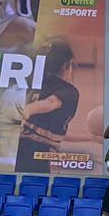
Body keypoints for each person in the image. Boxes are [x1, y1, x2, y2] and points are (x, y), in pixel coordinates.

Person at [15, 42, 79, 173]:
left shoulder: (37, 83)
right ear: (66, 65)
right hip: (40, 150)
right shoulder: (69, 91)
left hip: (21, 144)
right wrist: (28, 110)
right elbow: (50, 103)